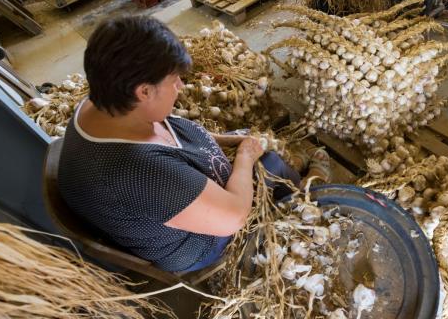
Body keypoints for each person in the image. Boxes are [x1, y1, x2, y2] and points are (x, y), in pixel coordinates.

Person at [57, 15, 330, 273]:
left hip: (168, 193)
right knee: (269, 163)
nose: (181, 87)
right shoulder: (137, 171)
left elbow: (171, 132)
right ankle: (307, 199)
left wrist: (229, 140)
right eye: (173, 81)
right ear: (144, 91)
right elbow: (233, 217)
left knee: (252, 141)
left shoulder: (104, 100)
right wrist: (245, 156)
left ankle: (293, 179)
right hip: (197, 241)